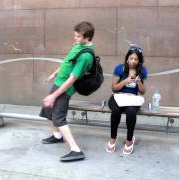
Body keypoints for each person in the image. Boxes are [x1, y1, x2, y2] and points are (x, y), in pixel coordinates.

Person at [40, 21, 95, 162]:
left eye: (78, 36)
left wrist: (53, 95)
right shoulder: (78, 46)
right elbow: (67, 61)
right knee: (48, 110)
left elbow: (71, 80)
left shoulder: (86, 56)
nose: (75, 39)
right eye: (75, 35)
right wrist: (54, 73)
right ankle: (57, 136)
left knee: (58, 117)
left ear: (87, 38)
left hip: (65, 87)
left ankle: (76, 150)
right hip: (59, 82)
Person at [106, 46, 147, 155]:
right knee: (115, 111)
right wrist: (125, 81)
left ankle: (129, 140)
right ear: (127, 58)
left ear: (139, 61)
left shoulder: (142, 71)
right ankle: (113, 138)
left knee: (131, 112)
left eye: (136, 59)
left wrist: (138, 82)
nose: (133, 61)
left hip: (132, 99)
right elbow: (113, 88)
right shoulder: (120, 68)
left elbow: (143, 91)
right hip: (118, 97)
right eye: (131, 58)